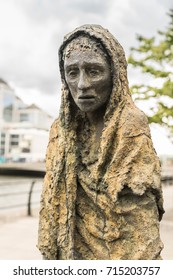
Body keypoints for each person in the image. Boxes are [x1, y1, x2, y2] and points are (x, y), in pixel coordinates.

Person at [38, 24, 164, 260]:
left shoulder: (130, 125)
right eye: (72, 72)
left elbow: (140, 216)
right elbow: (51, 201)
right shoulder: (61, 128)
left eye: (94, 71)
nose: (83, 84)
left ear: (115, 74)